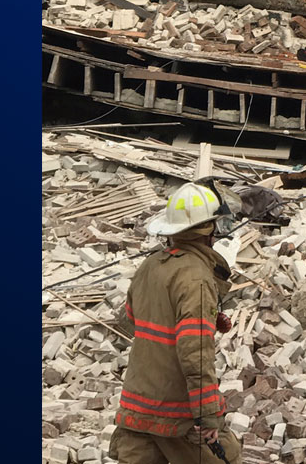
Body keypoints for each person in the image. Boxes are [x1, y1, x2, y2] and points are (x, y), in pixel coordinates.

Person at [109, 181, 245, 464]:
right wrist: (208, 415)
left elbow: (130, 321)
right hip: (177, 416)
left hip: (136, 411)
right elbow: (195, 354)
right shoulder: (196, 278)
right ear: (210, 230)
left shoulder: (150, 265)